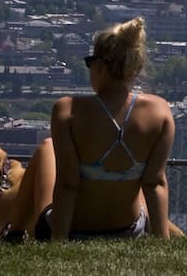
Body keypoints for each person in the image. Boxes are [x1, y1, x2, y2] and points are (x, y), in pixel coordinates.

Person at [44, 17, 175, 239]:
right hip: (129, 230)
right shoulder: (160, 112)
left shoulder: (67, 111)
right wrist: (163, 243)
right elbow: (155, 183)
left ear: (99, 66)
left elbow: (67, 184)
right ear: (135, 68)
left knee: (44, 152)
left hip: (79, 229)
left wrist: (59, 242)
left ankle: (12, 231)